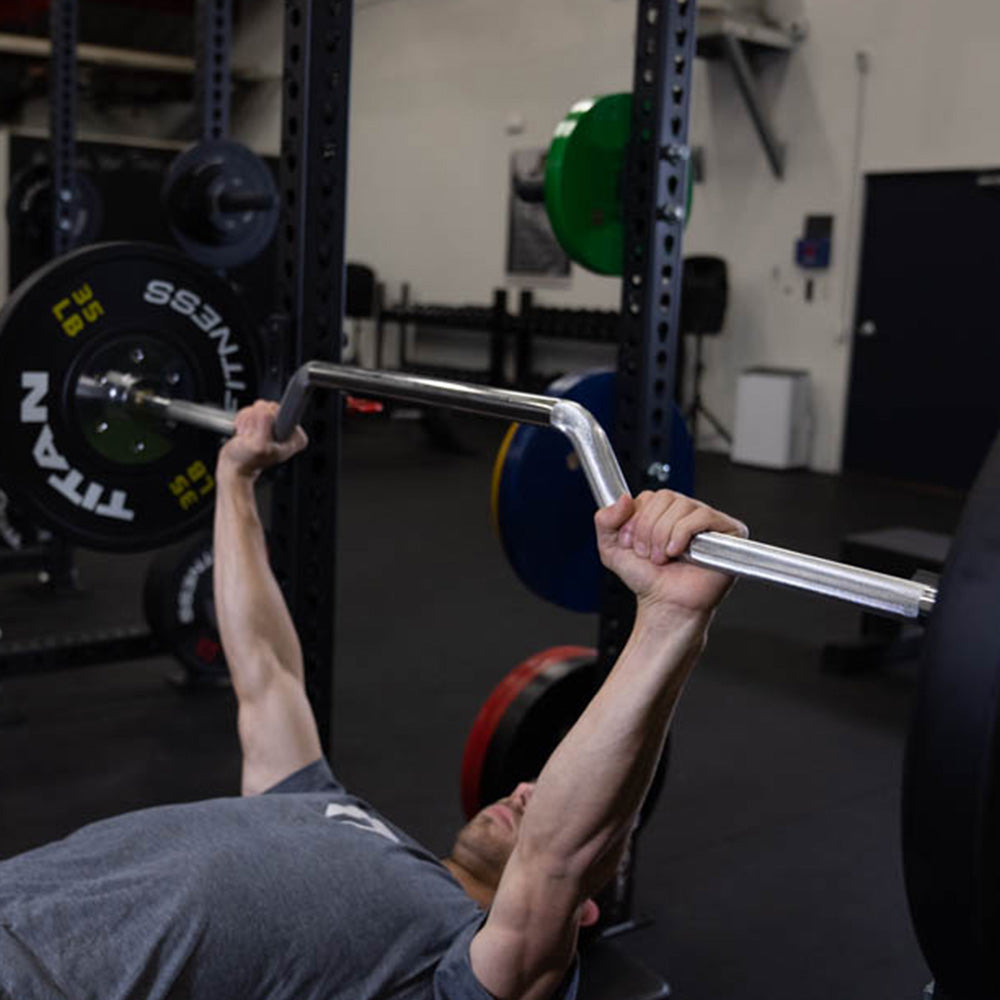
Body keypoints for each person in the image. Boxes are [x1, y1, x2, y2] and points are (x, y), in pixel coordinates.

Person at [0, 401, 747, 1000]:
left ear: (580, 915)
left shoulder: (457, 967)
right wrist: (234, 481)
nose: (525, 789)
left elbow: (556, 857)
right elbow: (264, 671)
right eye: (531, 783)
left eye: (537, 795)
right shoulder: (325, 804)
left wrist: (672, 622)